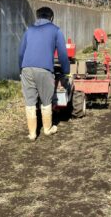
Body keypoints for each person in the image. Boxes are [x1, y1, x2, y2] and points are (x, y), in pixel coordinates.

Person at [18, 7, 70, 141]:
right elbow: (63, 54)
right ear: (51, 18)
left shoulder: (29, 30)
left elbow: (21, 53)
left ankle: (32, 134)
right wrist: (66, 71)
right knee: (46, 100)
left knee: (30, 101)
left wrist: (21, 69)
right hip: (44, 70)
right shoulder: (56, 30)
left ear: (37, 16)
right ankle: (47, 129)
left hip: (26, 69)